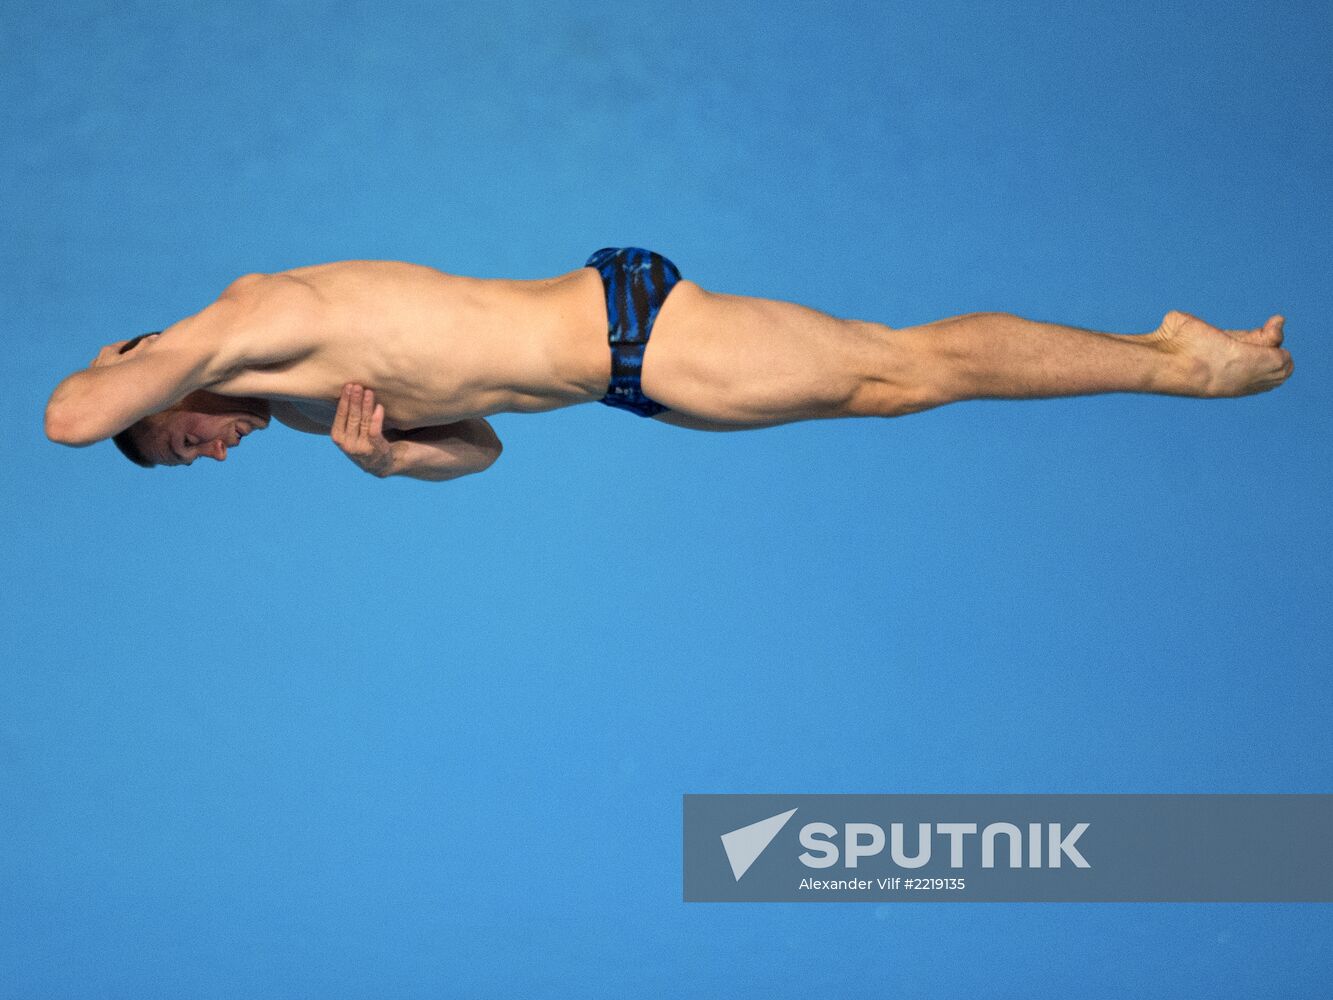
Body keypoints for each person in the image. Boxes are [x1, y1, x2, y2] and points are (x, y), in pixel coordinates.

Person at [44, 246, 1293, 481]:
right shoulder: (317, 415)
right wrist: (388, 464)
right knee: (890, 388)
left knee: (900, 371)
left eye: (177, 436)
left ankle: (1181, 362)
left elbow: (69, 416)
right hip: (628, 379)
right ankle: (1162, 357)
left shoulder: (241, 325)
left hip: (625, 329)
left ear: (165, 383)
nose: (202, 449)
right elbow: (478, 447)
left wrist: (132, 368)